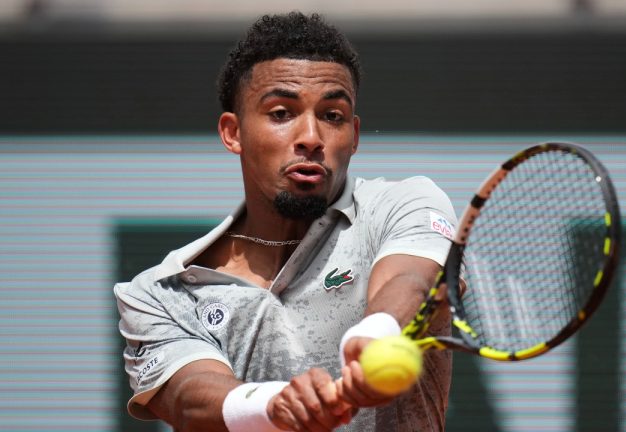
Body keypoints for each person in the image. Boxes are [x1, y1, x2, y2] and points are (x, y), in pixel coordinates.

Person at [115, 11, 458, 432]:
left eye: (332, 116)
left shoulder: (405, 205)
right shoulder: (159, 294)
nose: (311, 137)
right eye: (281, 113)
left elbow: (413, 281)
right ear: (233, 133)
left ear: (354, 135)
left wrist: (377, 333)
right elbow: (187, 400)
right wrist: (273, 403)